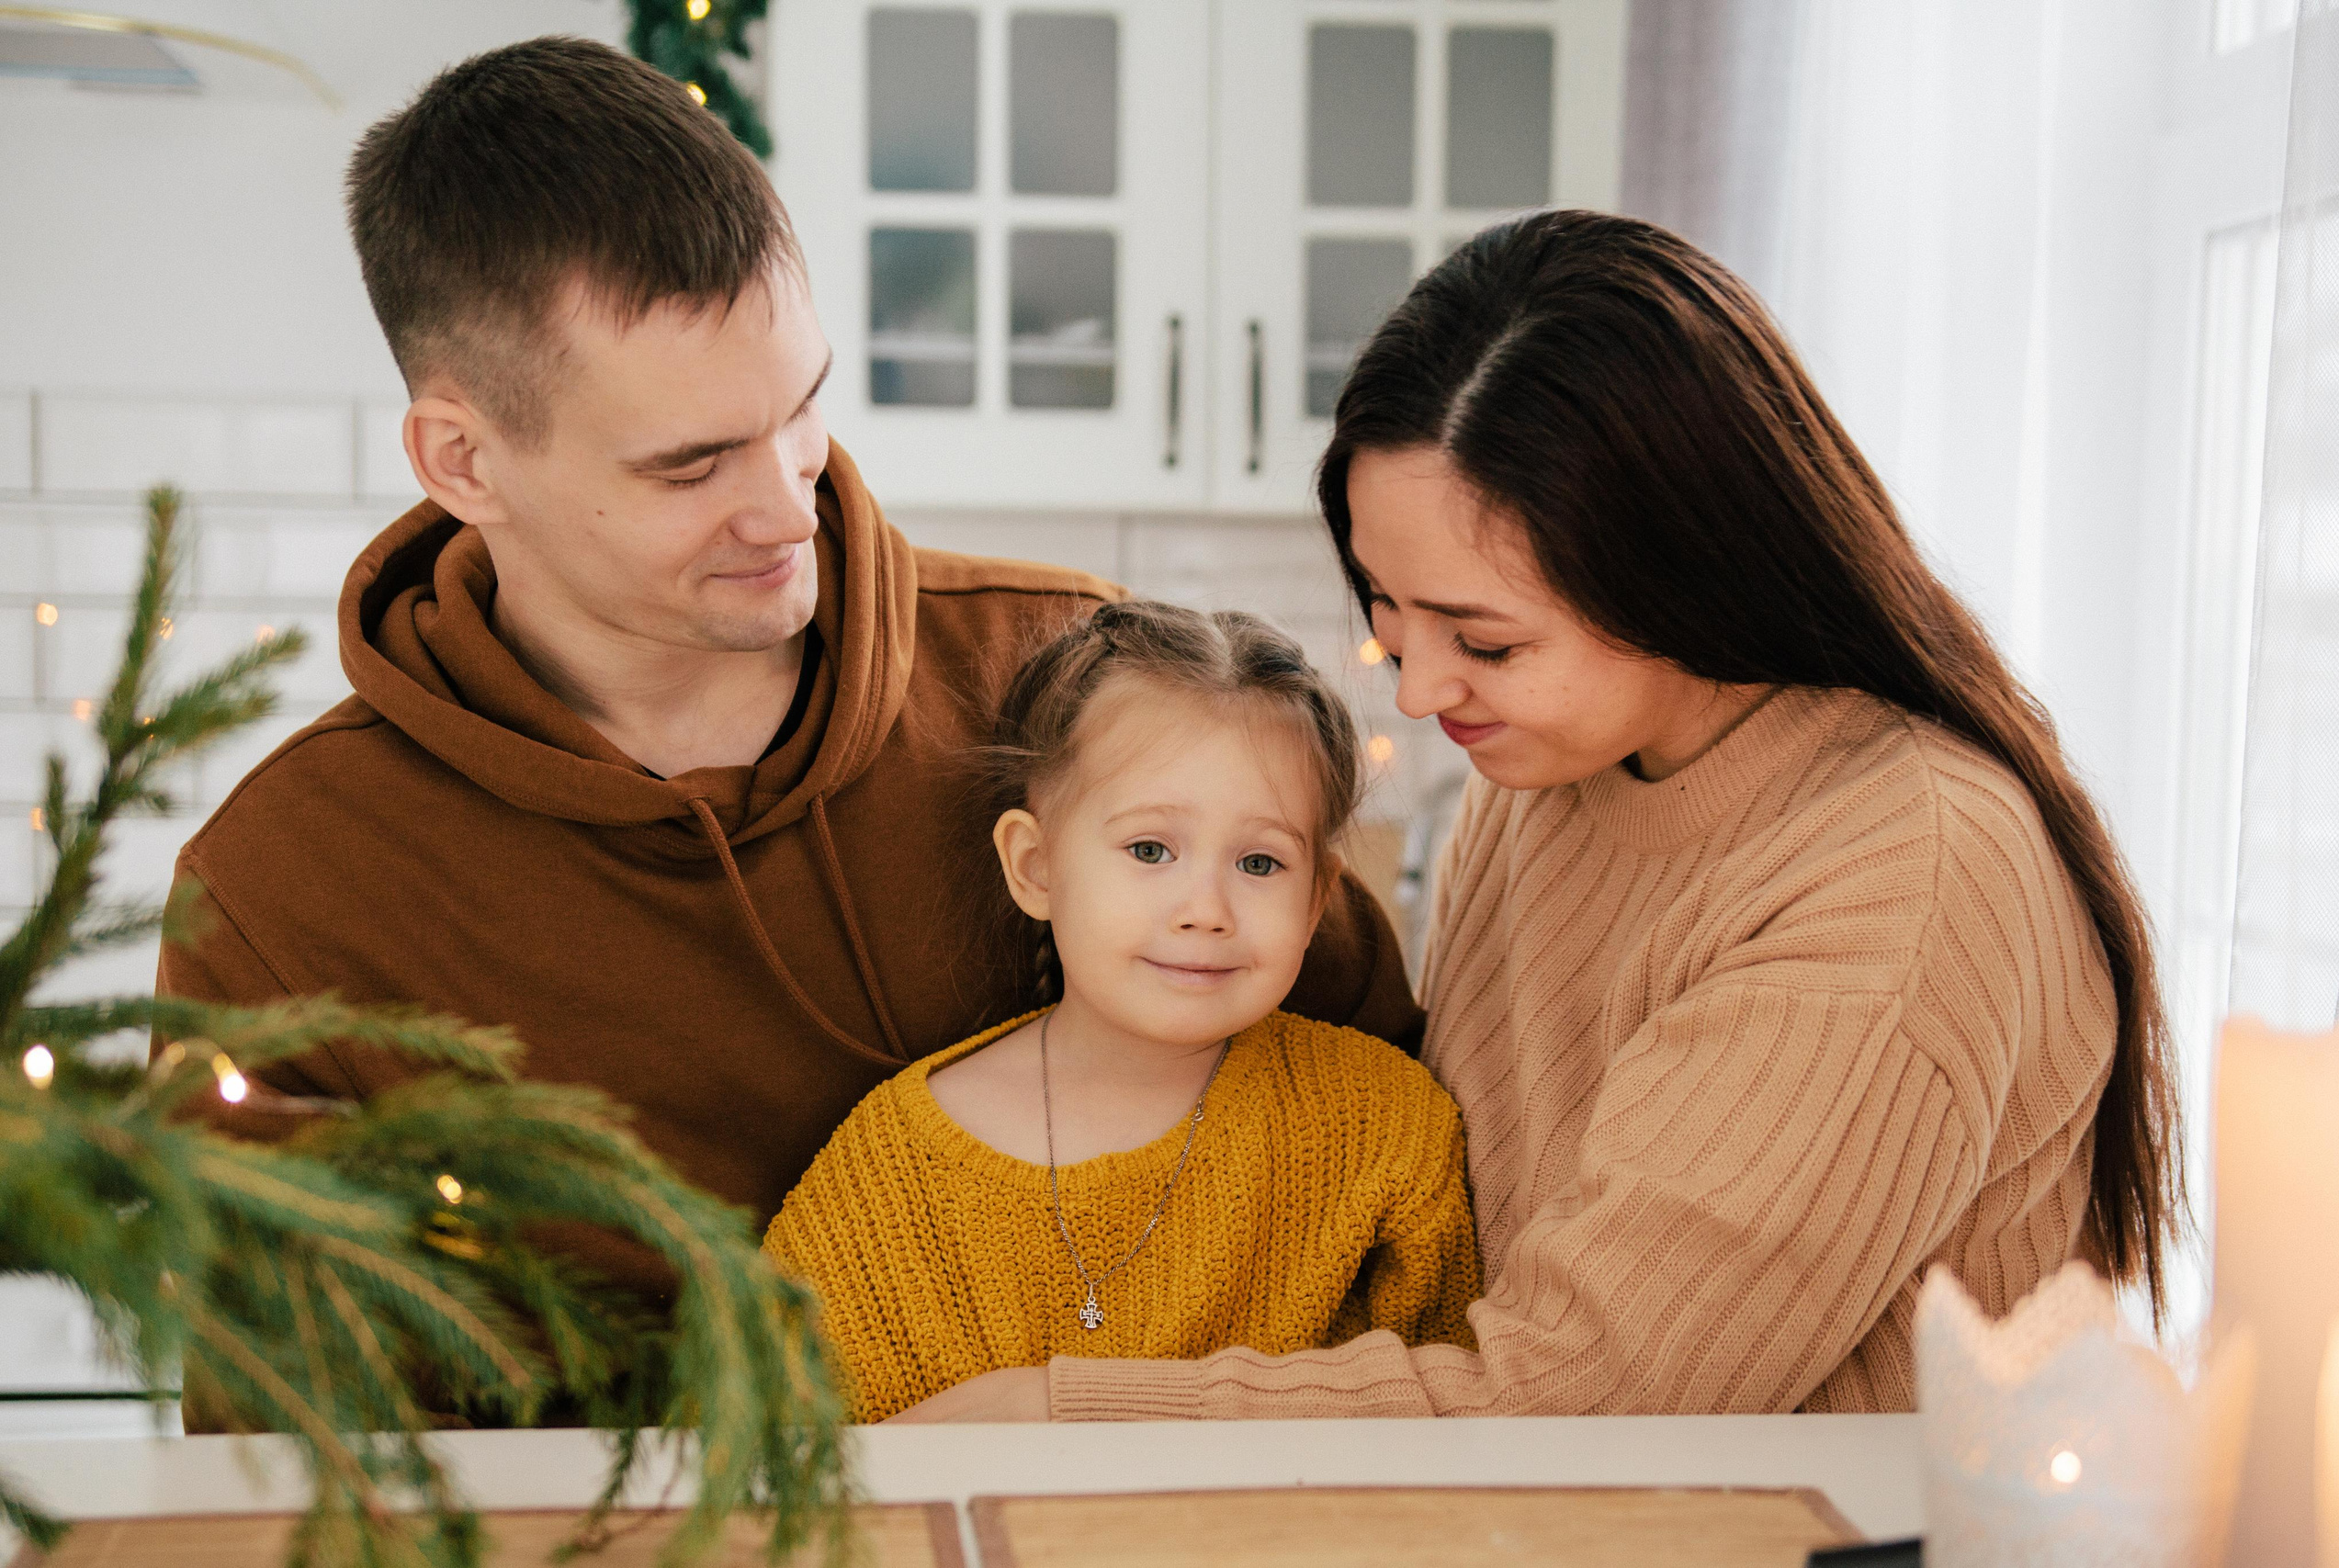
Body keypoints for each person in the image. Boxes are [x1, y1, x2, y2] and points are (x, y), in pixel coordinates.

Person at [154, 38, 1418, 1308]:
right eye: (690, 463)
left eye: (801, 407)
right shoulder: (285, 888)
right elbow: (291, 1397)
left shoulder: (1082, 686)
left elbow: (1393, 1146)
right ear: (464, 461)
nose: (783, 507)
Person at [895, 209, 2184, 1423]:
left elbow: (1578, 1397)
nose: (1416, 689)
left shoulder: (1902, 877)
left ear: (1687, 578)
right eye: (1387, 609)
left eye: (1486, 642)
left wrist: (1060, 1409)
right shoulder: (1551, 767)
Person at [764, 603, 1479, 1420]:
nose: (1206, 910)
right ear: (1035, 867)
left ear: (1316, 900)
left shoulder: (1385, 1126)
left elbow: (1460, 1414)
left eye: (1259, 862)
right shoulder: (890, 1174)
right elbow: (772, 1456)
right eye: (1150, 849)